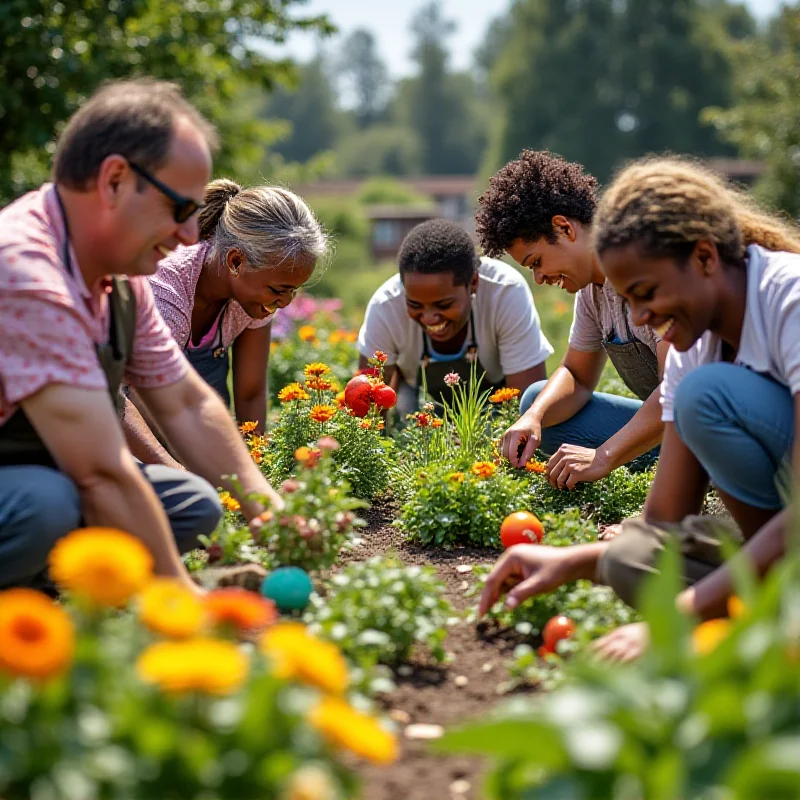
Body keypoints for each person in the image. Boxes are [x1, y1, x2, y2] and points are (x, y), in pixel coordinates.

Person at [478, 156, 800, 661]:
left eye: (645, 295)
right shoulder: (692, 335)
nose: (643, 319)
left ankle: (767, 603)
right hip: (783, 522)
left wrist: (680, 614)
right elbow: (662, 523)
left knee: (702, 392)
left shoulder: (789, 298)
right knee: (631, 559)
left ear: (705, 258)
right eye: (629, 301)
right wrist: (571, 561)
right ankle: (772, 598)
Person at [0, 78, 283, 595]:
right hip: (34, 482)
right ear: (114, 181)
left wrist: (265, 505)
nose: (191, 235)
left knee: (191, 503)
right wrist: (187, 601)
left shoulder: (119, 281)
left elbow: (184, 403)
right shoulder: (24, 273)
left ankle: (55, 586)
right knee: (46, 506)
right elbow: (100, 474)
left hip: (50, 471)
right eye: (180, 209)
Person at [476, 150, 669, 489]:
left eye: (536, 262)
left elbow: (677, 392)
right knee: (537, 400)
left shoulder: (651, 269)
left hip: (720, 427)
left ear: (564, 228)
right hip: (674, 428)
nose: (538, 278)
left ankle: (696, 475)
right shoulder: (591, 293)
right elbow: (578, 377)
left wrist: (604, 456)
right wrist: (533, 418)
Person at [123, 179, 327, 467]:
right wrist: (184, 476)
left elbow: (250, 392)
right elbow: (136, 400)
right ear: (235, 261)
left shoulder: (252, 300)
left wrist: (258, 465)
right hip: (138, 439)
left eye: (294, 290)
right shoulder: (167, 293)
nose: (286, 302)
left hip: (196, 437)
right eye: (279, 290)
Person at [357, 218, 552, 415]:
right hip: (417, 409)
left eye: (444, 305)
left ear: (473, 282)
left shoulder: (504, 292)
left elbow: (526, 406)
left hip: (497, 405)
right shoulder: (385, 306)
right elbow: (367, 410)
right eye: (414, 305)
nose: (429, 318)